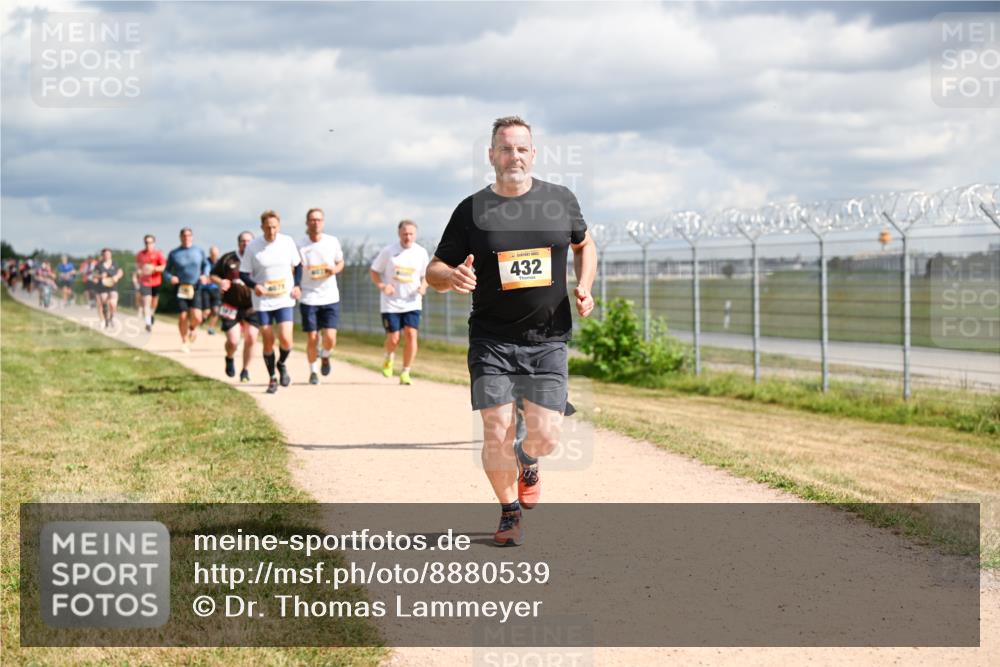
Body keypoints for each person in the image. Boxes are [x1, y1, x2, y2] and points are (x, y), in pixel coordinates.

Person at [426, 116, 596, 546]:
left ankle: (528, 458)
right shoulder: (471, 210)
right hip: (492, 339)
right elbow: (434, 269)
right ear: (491, 156)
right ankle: (508, 512)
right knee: (495, 427)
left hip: (548, 338)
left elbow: (584, 244)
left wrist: (585, 285)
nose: (513, 156)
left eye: (521, 148)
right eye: (505, 148)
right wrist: (450, 278)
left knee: (545, 437)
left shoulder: (560, 200)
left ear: (533, 154)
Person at [240, 210, 301, 394]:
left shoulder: (287, 242)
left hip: (284, 298)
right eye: (268, 227)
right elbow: (244, 273)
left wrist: (297, 285)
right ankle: (272, 378)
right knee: (268, 339)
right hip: (263, 300)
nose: (271, 231)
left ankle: (281, 363)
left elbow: (298, 265)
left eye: (274, 227)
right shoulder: (253, 246)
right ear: (262, 227)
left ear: (279, 226)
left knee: (286, 338)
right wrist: (254, 285)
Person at [369, 220, 430, 385]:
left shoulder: (421, 252)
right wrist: (382, 285)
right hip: (391, 302)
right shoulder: (389, 251)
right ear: (399, 234)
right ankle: (389, 357)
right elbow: (374, 271)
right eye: (405, 234)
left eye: (411, 234)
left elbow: (427, 275)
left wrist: (423, 287)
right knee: (394, 338)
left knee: (411, 335)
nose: (407, 237)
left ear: (415, 235)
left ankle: (405, 371)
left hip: (412, 301)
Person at [297, 208, 345, 384]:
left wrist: (334, 269)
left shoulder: (332, 242)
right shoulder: (300, 245)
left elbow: (340, 263)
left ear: (323, 222)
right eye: (312, 220)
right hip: (308, 296)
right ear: (307, 223)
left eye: (318, 220)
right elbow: (293, 267)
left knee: (330, 337)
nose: (315, 223)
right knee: (312, 337)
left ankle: (325, 355)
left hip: (330, 296)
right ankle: (313, 371)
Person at [210, 231, 259, 382]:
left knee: (251, 337)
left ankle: (245, 370)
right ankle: (230, 357)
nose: (246, 243)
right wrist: (221, 282)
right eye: (243, 241)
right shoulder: (228, 258)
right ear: (239, 243)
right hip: (230, 305)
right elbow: (213, 275)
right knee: (233, 341)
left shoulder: (258, 259)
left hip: (252, 306)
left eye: (249, 241)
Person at [163, 228, 211, 352]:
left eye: (188, 235)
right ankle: (184, 341)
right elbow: (166, 271)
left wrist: (205, 275)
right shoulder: (174, 253)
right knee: (183, 315)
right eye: (184, 235)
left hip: (196, 286)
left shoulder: (198, 251)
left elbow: (206, 265)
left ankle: (193, 328)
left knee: (197, 317)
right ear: (180, 237)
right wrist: (170, 277)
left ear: (192, 237)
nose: (186, 237)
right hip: (182, 287)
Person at [135, 234, 167, 331]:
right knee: (146, 302)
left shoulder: (158, 254)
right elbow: (138, 267)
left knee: (154, 303)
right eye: (146, 242)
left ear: (154, 243)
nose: (148, 244)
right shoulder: (140, 254)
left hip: (156, 282)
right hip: (145, 283)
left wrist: (154, 268)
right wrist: (139, 272)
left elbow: (163, 267)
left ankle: (151, 314)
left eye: (150, 242)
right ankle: (148, 323)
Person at [92, 248, 124, 328]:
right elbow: (94, 275)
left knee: (113, 303)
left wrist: (117, 276)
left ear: (111, 254)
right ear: (102, 255)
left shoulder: (115, 263)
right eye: (105, 254)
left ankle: (112, 317)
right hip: (102, 287)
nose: (107, 256)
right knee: (104, 303)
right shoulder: (98, 265)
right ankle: (104, 319)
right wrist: (100, 276)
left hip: (113, 286)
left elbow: (120, 272)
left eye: (108, 254)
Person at [202, 245, 223, 335]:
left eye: (216, 254)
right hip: (205, 289)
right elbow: (204, 274)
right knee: (207, 311)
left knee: (216, 310)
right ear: (210, 253)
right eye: (212, 254)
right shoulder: (205, 262)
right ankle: (202, 319)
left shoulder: (221, 263)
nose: (214, 256)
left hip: (216, 290)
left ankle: (211, 328)